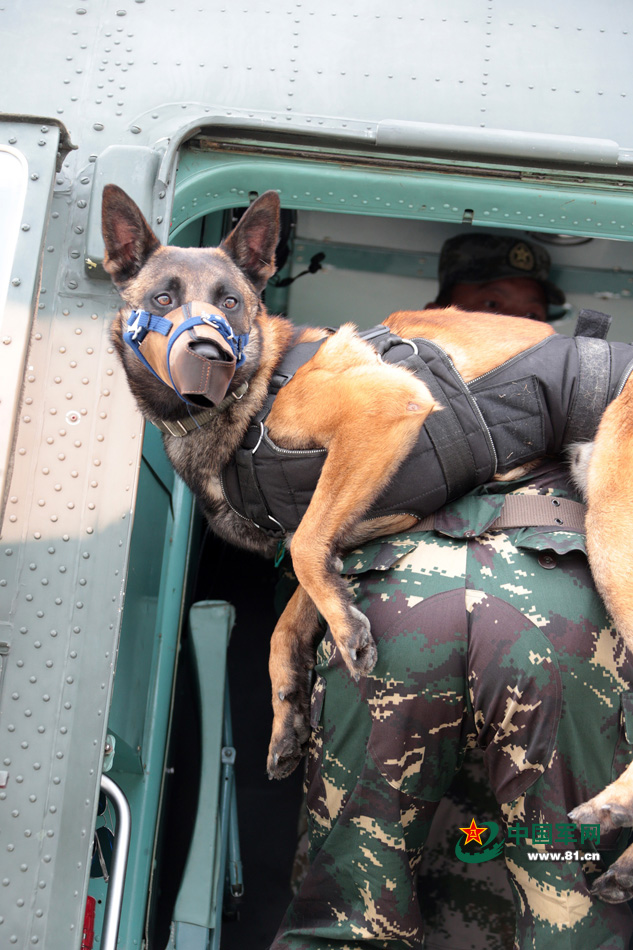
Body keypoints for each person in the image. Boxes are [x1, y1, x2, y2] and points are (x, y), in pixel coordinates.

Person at [271, 234, 633, 950]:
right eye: (493, 306)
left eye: (532, 313)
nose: (519, 323)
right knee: (568, 895)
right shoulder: (379, 386)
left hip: (393, 628)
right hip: (552, 637)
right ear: (442, 313)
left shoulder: (356, 401)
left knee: (352, 899)